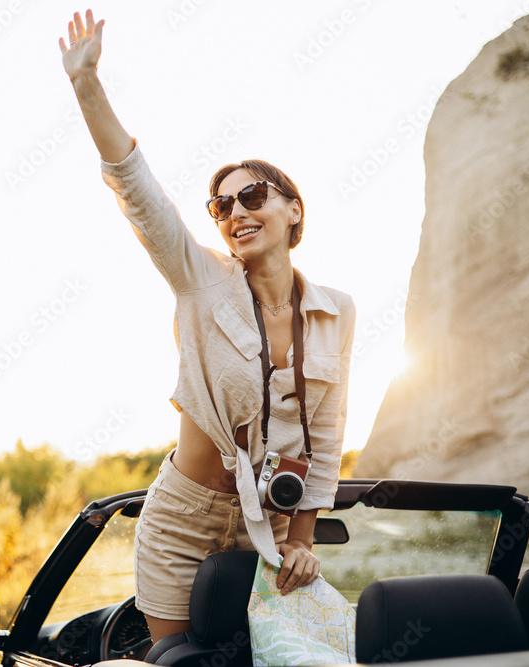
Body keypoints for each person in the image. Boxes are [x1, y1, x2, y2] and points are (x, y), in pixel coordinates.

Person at [59, 10, 356, 644]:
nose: (235, 212)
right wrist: (87, 85)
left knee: (273, 657)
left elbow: (325, 436)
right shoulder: (202, 281)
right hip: (182, 520)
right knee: (181, 661)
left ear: (292, 208)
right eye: (222, 205)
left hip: (270, 525)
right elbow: (139, 194)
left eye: (253, 196)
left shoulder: (337, 310)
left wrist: (302, 539)